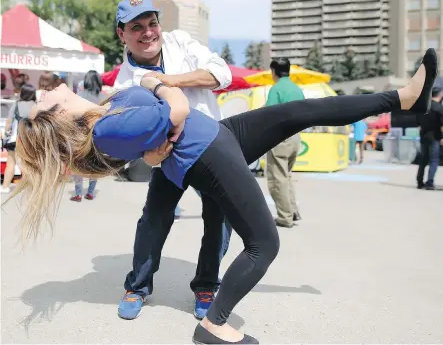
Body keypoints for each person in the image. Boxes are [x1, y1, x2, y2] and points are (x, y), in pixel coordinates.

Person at [6, 48, 437, 344]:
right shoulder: (104, 128)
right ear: (56, 114)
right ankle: (214, 325)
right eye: (42, 99)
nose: (43, 92)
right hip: (207, 152)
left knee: (300, 111)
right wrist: (159, 82)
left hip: (218, 135)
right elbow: (173, 110)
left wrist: (156, 134)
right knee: (264, 244)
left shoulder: (103, 112)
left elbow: (154, 145)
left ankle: (404, 99)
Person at [112, 0, 233, 320]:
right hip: (169, 159)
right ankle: (137, 286)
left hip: (211, 149)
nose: (148, 32)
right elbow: (136, 146)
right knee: (154, 219)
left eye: (152, 23)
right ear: (122, 35)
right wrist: (151, 155)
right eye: (136, 27)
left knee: (218, 220)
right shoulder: (124, 84)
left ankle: (207, 284)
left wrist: (169, 81)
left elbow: (221, 74)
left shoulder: (181, 41)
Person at [266, 58, 305, 227]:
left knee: (277, 178)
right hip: (296, 137)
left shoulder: (276, 89)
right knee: (287, 176)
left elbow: (268, 114)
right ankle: (293, 211)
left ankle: (284, 217)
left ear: (274, 71)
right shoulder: (297, 90)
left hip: (280, 138)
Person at [70, 71, 106, 202]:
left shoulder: (79, 96)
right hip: (98, 135)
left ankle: (78, 193)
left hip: (80, 134)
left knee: (78, 164)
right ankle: (90, 192)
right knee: (94, 164)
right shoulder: (103, 98)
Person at [1, 84, 37, 193]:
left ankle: (5, 187)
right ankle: (31, 188)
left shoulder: (16, 104)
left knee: (11, 162)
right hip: (29, 140)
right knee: (28, 164)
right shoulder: (36, 106)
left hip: (14, 139)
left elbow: (9, 121)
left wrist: (6, 132)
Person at [416, 86, 443, 190]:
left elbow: (417, 122)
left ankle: (419, 182)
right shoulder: (439, 108)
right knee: (434, 160)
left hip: (423, 135)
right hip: (435, 136)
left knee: (423, 159)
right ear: (439, 95)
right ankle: (429, 183)